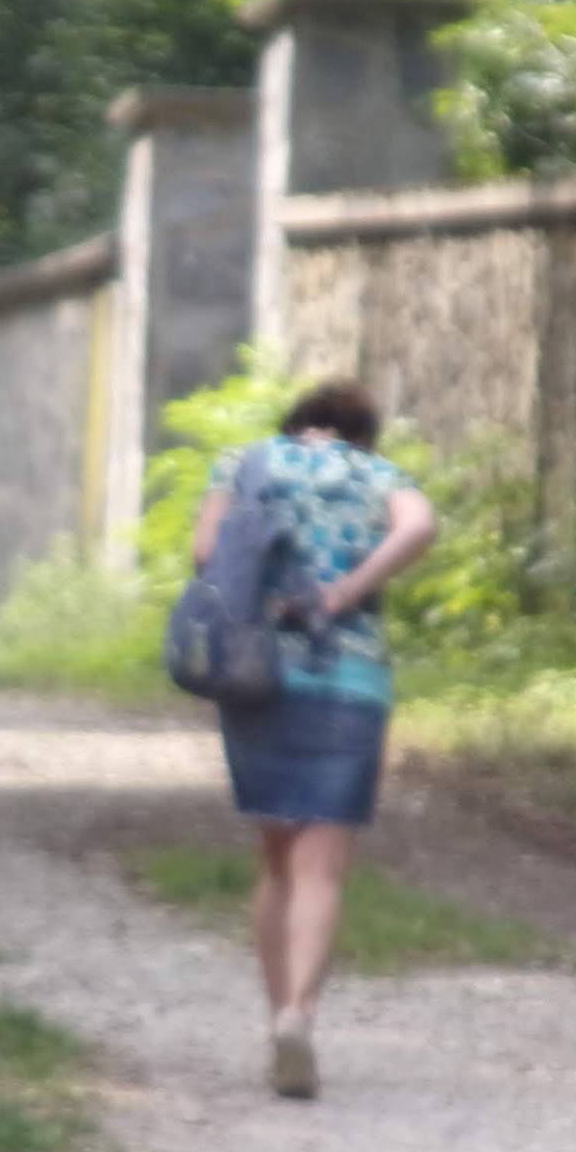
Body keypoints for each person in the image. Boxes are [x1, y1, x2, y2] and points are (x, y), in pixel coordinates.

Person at [192, 379, 438, 1100]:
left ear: (297, 422)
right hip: (350, 679)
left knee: (277, 861)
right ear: (362, 432)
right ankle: (301, 1012)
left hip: (258, 675)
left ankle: (277, 1019)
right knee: (321, 868)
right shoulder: (378, 473)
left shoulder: (245, 463)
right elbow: (419, 526)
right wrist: (347, 588)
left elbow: (208, 552)